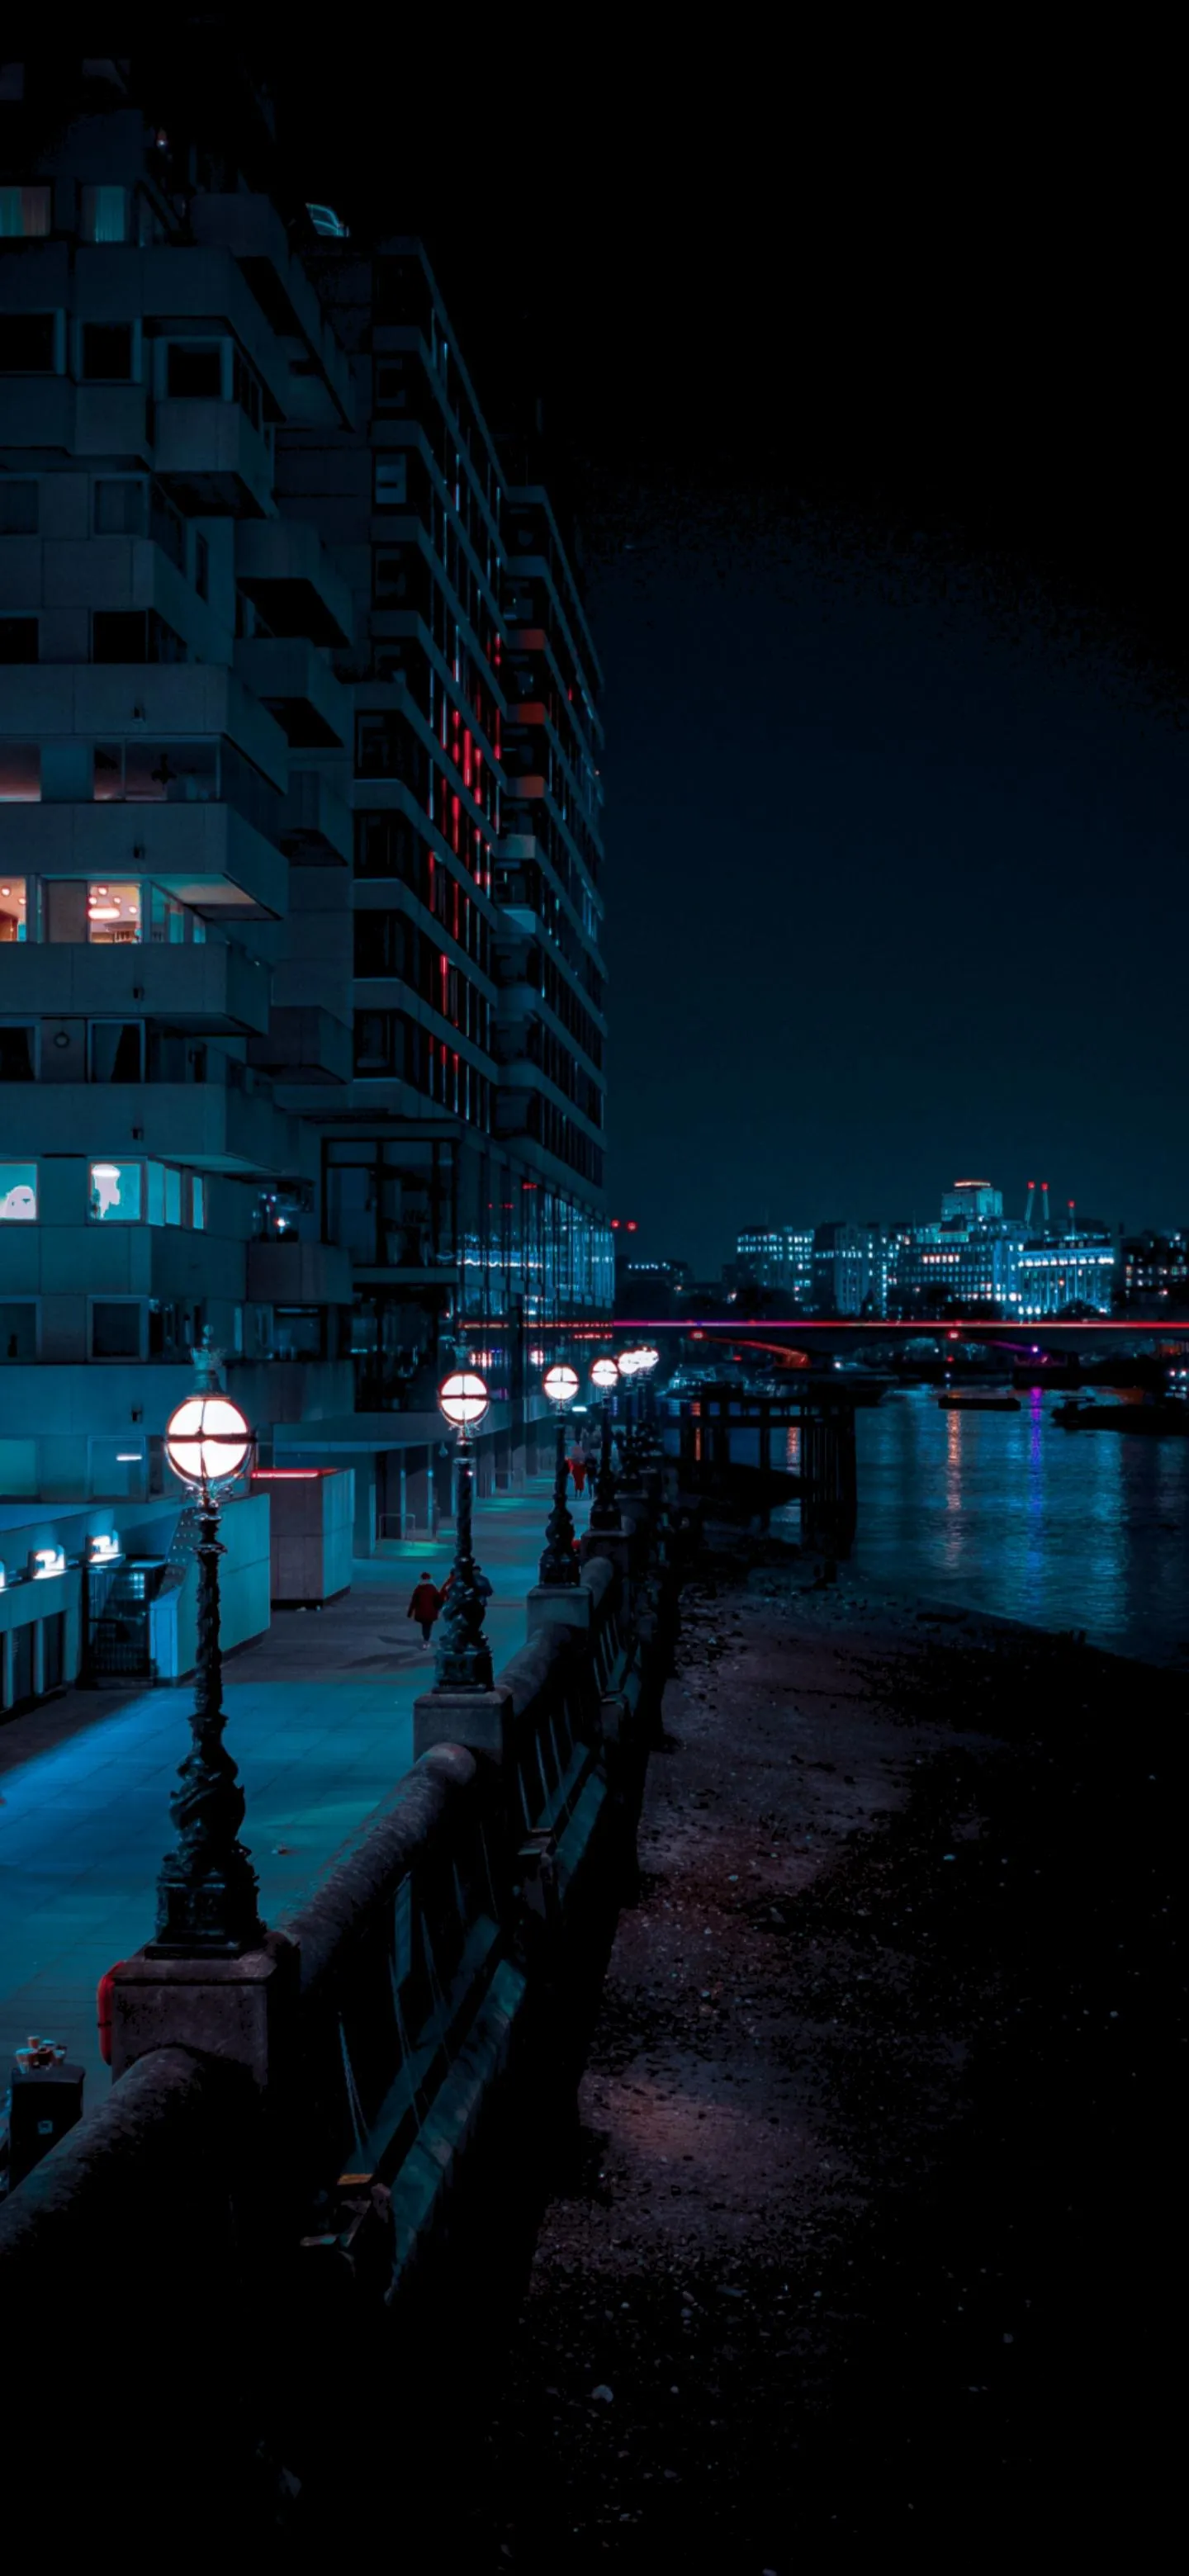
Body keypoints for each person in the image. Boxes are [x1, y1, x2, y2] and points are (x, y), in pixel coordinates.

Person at [407, 1570, 443, 1645]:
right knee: (428, 1626)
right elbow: (439, 1600)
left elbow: (413, 1602)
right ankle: (426, 1640)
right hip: (431, 1612)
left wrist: (410, 1612)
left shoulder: (418, 1589)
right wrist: (438, 1608)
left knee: (424, 1626)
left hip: (421, 1612)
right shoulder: (433, 1588)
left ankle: (426, 1639)